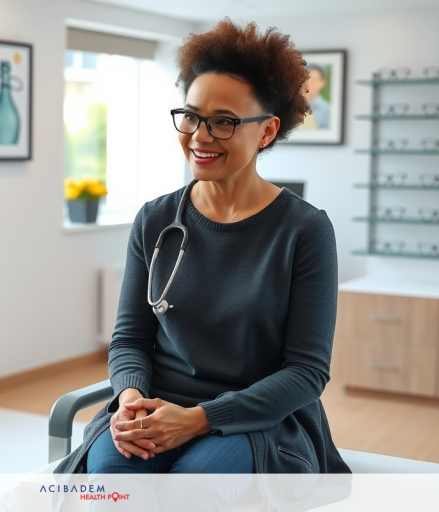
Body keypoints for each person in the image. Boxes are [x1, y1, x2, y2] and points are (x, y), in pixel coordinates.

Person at [55, 19, 350, 475]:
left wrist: (199, 419)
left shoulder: (305, 231)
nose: (199, 135)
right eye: (191, 115)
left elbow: (306, 373)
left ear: (267, 131)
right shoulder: (155, 220)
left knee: (193, 486)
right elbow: (130, 339)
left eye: (224, 122)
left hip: (255, 422)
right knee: (113, 482)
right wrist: (130, 398)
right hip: (153, 409)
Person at [301, 64, 331, 129]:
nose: (310, 82)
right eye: (307, 79)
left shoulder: (327, 110)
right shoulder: (291, 106)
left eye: (314, 79)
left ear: (322, 83)